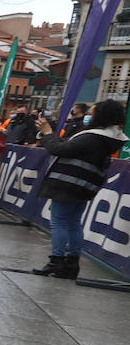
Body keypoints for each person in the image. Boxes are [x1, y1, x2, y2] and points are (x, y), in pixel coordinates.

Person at [31, 100, 128, 279]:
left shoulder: (92, 136)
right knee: (74, 223)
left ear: (101, 116)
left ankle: (56, 261)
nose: (88, 116)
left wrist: (47, 134)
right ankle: (71, 263)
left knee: (59, 221)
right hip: (85, 186)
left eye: (92, 113)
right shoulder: (109, 137)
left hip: (68, 184)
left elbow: (59, 149)